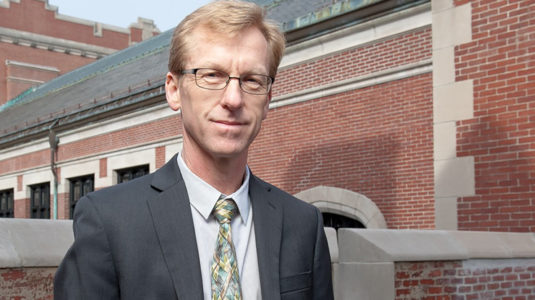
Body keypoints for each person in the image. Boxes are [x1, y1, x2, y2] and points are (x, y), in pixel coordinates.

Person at [54, 1, 333, 299]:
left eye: (252, 80)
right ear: (174, 90)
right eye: (212, 75)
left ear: (267, 100)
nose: (233, 99)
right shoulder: (110, 221)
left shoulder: (304, 225)